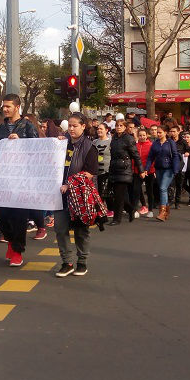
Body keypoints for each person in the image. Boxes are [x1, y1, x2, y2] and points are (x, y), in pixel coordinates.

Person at [0, 93, 39, 267]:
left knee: (19, 216)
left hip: (22, 178)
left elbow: (37, 150)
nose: (5, 109)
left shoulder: (27, 126)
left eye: (8, 106)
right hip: (3, 178)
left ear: (17, 107)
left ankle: (17, 251)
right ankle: (11, 240)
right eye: (4, 106)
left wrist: (21, 141)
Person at [55, 113, 99, 277]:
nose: (71, 129)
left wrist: (70, 183)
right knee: (60, 228)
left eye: (75, 126)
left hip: (80, 196)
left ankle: (82, 261)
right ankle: (67, 262)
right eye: (70, 125)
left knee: (81, 231)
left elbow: (90, 173)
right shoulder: (60, 143)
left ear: (83, 127)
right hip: (59, 195)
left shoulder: (89, 147)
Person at [108, 119, 142, 225]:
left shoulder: (128, 138)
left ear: (125, 127)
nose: (118, 127)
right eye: (117, 125)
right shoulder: (114, 138)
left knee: (119, 195)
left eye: (121, 125)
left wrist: (141, 170)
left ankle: (116, 219)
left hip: (124, 169)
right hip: (114, 169)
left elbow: (135, 155)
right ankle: (131, 209)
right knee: (118, 195)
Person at [144, 125, 181, 221]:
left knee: (162, 188)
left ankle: (162, 212)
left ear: (165, 133)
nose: (158, 134)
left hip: (169, 169)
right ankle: (167, 210)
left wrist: (176, 169)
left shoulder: (171, 143)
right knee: (162, 190)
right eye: (158, 132)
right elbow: (150, 157)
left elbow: (175, 156)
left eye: (160, 132)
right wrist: (146, 168)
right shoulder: (155, 143)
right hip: (158, 169)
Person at [136, 128, 156, 217]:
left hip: (149, 171)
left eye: (144, 135)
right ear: (137, 136)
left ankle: (150, 210)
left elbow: (153, 159)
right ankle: (137, 208)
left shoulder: (151, 145)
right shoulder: (135, 145)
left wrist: (149, 170)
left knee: (149, 191)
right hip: (137, 171)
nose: (142, 137)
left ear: (147, 135)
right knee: (136, 190)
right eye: (140, 135)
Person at [93, 122, 112, 213]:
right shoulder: (94, 142)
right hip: (96, 172)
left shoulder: (110, 142)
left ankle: (109, 209)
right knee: (98, 192)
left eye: (101, 129)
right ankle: (101, 209)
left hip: (107, 170)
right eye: (98, 129)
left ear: (106, 130)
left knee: (105, 192)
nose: (99, 130)